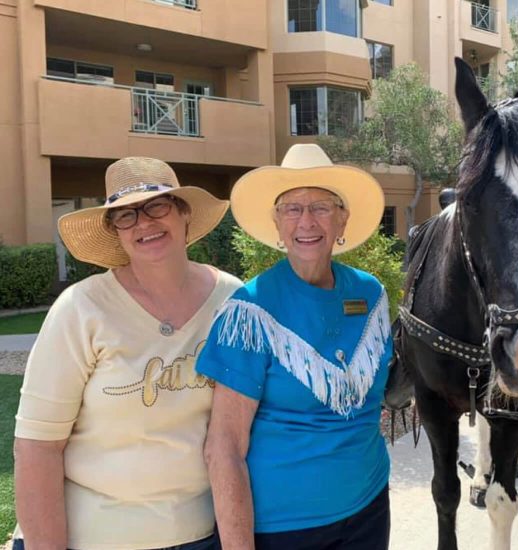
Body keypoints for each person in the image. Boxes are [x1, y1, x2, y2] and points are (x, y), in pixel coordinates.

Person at [13, 157, 242, 549]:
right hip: (93, 539)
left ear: (184, 214)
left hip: (203, 536)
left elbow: (242, 432)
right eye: (125, 215)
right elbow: (37, 446)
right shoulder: (81, 308)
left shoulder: (233, 300)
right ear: (114, 232)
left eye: (157, 206)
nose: (144, 223)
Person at [196, 144, 393, 550]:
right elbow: (224, 445)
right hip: (283, 529)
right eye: (292, 208)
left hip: (370, 508)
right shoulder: (249, 312)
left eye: (321, 206)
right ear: (277, 223)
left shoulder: (370, 294)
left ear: (343, 219)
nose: (307, 221)